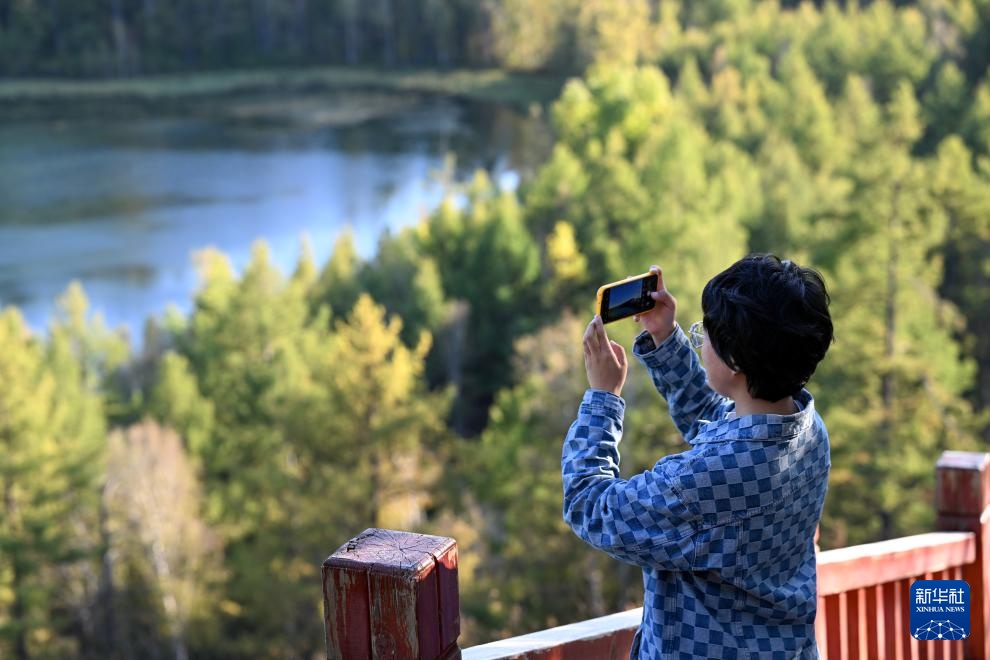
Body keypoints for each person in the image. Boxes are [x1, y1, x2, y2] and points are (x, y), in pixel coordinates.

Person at [562, 254, 834, 659]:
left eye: (703, 333)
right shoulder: (808, 432)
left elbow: (588, 504)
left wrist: (604, 398)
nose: (700, 340)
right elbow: (720, 422)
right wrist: (665, 337)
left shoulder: (701, 481)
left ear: (737, 361)